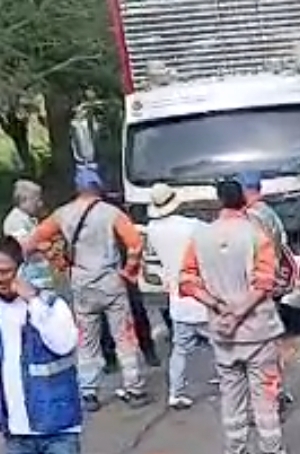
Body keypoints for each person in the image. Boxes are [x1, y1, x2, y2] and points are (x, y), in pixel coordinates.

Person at [0, 236, 107, 454]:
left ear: (21, 270)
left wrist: (34, 302)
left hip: (57, 421)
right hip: (16, 428)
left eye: (5, 272)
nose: (1, 280)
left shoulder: (49, 305)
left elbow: (64, 343)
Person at [179, 178, 300, 454]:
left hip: (221, 333)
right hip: (257, 330)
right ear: (243, 202)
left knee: (231, 396)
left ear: (220, 201)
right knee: (264, 397)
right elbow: (265, 283)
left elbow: (187, 281)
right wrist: (239, 312)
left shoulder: (201, 237)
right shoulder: (255, 235)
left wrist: (219, 307)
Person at [23, 166, 147, 411]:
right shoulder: (112, 213)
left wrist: (55, 258)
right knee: (123, 336)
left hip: (81, 283)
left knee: (86, 340)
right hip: (110, 282)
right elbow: (135, 244)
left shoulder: (62, 214)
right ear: (98, 187)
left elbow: (32, 241)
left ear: (77, 188)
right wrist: (129, 270)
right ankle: (134, 388)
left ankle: (89, 391)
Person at [144, 183, 208, 410]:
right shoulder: (193, 226)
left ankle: (176, 393)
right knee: (222, 342)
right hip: (201, 292)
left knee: (180, 348)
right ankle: (229, 380)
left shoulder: (152, 230)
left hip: (177, 296)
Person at [238, 172, 297, 411]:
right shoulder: (268, 212)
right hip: (274, 282)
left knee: (260, 344)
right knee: (271, 339)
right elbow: (281, 243)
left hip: (260, 285)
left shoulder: (251, 217)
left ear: (246, 190)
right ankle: (278, 390)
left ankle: (271, 395)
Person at [3, 180, 56, 292]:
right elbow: (23, 248)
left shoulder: (29, 220)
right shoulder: (15, 221)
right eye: (37, 200)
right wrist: (45, 245)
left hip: (39, 278)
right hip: (28, 280)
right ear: (24, 200)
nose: (40, 204)